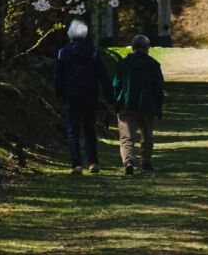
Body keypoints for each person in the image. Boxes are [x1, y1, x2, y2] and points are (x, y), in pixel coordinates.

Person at [53, 19, 114, 173]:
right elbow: (103, 75)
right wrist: (109, 96)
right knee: (89, 129)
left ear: (70, 35)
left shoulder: (62, 52)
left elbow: (58, 76)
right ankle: (93, 162)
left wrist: (60, 92)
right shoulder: (92, 52)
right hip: (89, 94)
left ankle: (76, 164)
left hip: (71, 94)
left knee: (72, 130)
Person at [113, 33, 165, 174]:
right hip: (147, 105)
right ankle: (146, 161)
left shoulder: (122, 64)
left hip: (126, 105)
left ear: (132, 47)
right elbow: (158, 87)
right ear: (147, 48)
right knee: (147, 135)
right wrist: (158, 104)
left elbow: (116, 85)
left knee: (127, 137)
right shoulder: (153, 64)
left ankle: (128, 161)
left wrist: (115, 103)